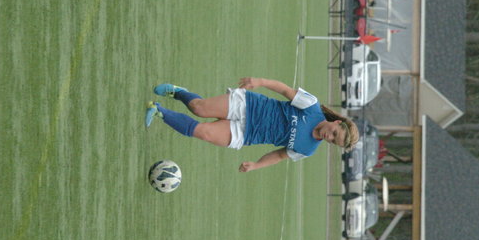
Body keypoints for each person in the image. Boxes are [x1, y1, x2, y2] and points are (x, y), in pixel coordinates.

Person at [145, 78, 359, 172]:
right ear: (337, 122)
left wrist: (256, 165)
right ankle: (177, 92)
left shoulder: (308, 149)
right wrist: (260, 81)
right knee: (198, 108)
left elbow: (279, 155)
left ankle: (158, 111)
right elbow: (285, 90)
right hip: (249, 106)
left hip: (246, 135)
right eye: (334, 134)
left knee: (203, 132)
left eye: (333, 142)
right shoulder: (312, 107)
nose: (329, 138)